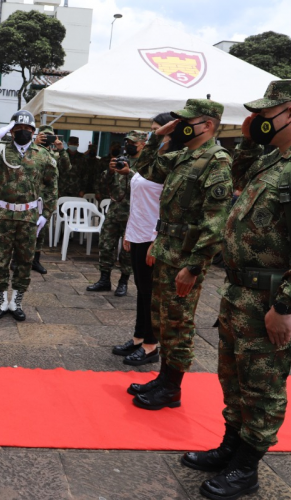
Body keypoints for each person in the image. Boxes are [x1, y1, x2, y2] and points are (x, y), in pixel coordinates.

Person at [180, 81, 291, 500]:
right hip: (241, 292)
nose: (257, 120)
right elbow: (241, 179)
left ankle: (246, 467)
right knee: (233, 377)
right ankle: (229, 447)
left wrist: (285, 305)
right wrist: (247, 142)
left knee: (263, 384)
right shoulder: (278, 157)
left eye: (264, 114)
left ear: (290, 113)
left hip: (271, 298)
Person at [127, 98, 233, 411]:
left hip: (184, 258)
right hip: (166, 250)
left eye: (189, 121)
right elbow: (145, 168)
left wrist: (194, 267)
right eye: (181, 120)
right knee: (162, 319)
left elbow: (214, 223)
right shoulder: (185, 156)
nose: (182, 125)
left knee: (178, 324)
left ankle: (172, 388)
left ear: (208, 125)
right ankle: (163, 379)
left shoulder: (217, 160)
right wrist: (160, 135)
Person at [0, 110, 57, 321]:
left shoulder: (43, 155)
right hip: (3, 215)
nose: (23, 132)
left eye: (27, 129)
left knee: (25, 261)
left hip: (28, 217)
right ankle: (0, 300)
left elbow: (52, 187)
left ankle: (16, 301)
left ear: (33, 132)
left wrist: (46, 214)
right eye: (18, 129)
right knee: (1, 261)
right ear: (12, 130)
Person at [112, 116, 173, 365]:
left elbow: (168, 206)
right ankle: (139, 337)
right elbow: (138, 201)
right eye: (150, 132)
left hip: (152, 236)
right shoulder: (151, 160)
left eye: (157, 132)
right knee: (142, 290)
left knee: (151, 293)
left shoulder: (172, 161)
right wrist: (129, 231)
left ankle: (151, 345)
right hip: (138, 232)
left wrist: (157, 239)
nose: (151, 137)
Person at [87, 132, 146, 296]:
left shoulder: (146, 163)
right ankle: (104, 279)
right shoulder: (121, 159)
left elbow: (147, 185)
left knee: (127, 252)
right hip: (114, 211)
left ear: (142, 144)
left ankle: (123, 282)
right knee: (106, 245)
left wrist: (130, 173)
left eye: (133, 142)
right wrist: (111, 172)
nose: (128, 145)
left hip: (133, 215)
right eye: (127, 142)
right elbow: (103, 182)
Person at [30, 124, 63, 274]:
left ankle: (35, 261)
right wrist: (34, 144)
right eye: (44, 136)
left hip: (48, 199)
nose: (46, 139)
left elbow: (67, 167)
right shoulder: (32, 150)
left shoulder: (54, 154)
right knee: (27, 231)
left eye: (49, 136)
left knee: (41, 231)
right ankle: (18, 261)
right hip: (33, 198)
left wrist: (62, 150)